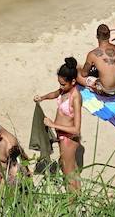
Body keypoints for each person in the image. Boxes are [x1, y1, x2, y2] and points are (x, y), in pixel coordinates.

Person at [34, 58, 83, 192]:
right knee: (70, 167)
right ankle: (77, 197)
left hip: (68, 139)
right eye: (59, 83)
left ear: (73, 82)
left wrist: (53, 125)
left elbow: (76, 129)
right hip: (62, 136)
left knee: (69, 172)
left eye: (63, 84)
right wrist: (43, 97)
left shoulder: (76, 97)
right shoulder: (64, 90)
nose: (60, 87)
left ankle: (73, 201)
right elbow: (56, 93)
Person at [80, 24, 115, 95]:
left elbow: (84, 74)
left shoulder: (92, 54)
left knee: (77, 73)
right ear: (109, 36)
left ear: (97, 36)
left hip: (106, 91)